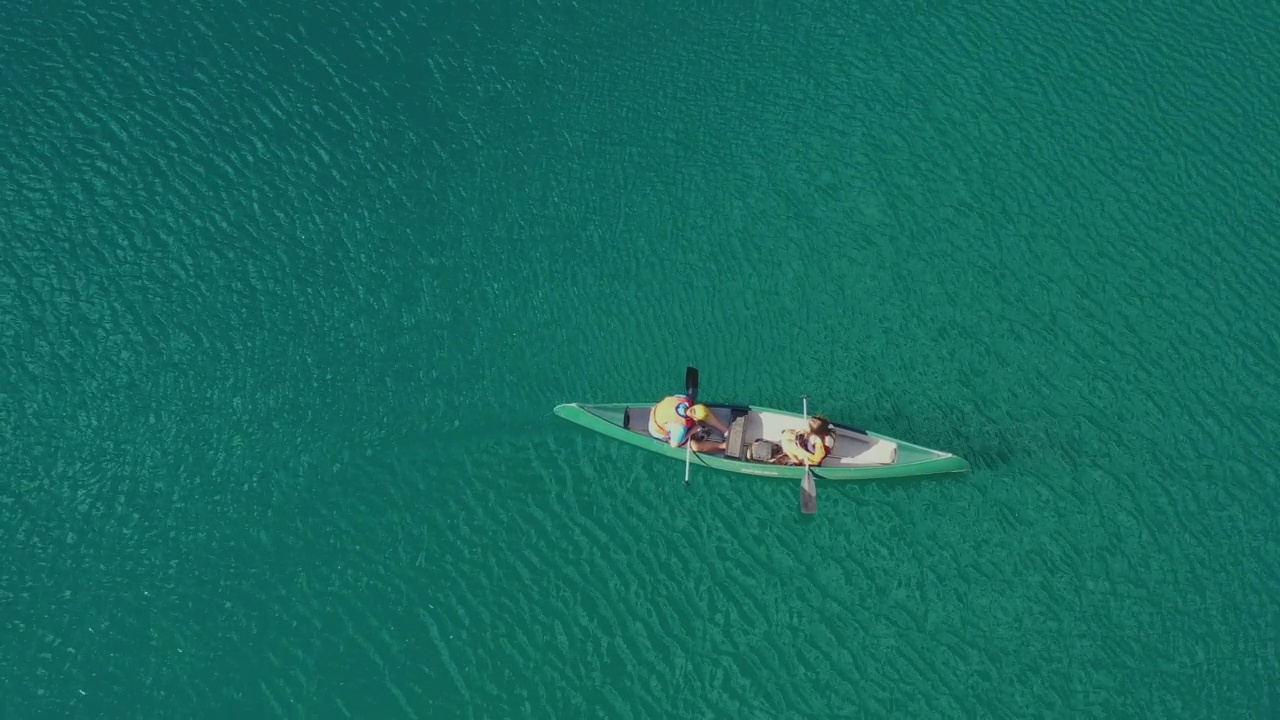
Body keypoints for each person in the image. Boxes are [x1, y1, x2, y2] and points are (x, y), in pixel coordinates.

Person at [648, 393, 729, 453]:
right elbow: (674, 445)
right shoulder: (680, 428)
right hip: (657, 429)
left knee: (704, 412)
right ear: (694, 419)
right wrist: (692, 431)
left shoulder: (684, 399)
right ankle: (723, 445)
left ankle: (725, 430)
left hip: (660, 410)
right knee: (695, 446)